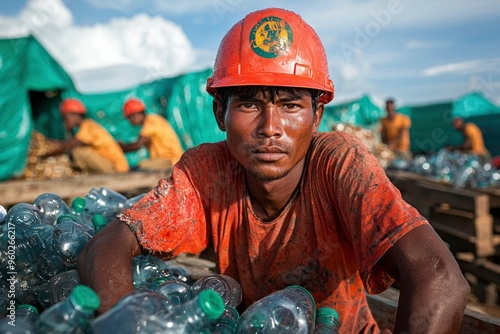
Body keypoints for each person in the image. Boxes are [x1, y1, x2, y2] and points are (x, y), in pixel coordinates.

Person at [77, 8, 469, 333]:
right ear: (220, 113)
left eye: (290, 105)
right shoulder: (207, 171)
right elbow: (112, 241)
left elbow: (441, 280)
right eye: (248, 104)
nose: (270, 127)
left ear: (317, 115)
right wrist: (124, 321)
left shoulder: (338, 164)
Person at [45, 98, 129, 174]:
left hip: (116, 167)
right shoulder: (86, 126)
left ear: (73, 114)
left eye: (65, 118)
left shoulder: (87, 125)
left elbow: (71, 144)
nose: (64, 121)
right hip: (111, 165)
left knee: (77, 152)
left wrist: (51, 145)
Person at [119, 97, 184, 171]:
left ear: (135, 115)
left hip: (170, 160)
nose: (129, 121)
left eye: (129, 118)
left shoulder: (150, 122)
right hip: (167, 160)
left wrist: (121, 148)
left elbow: (137, 145)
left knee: (142, 165)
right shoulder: (153, 120)